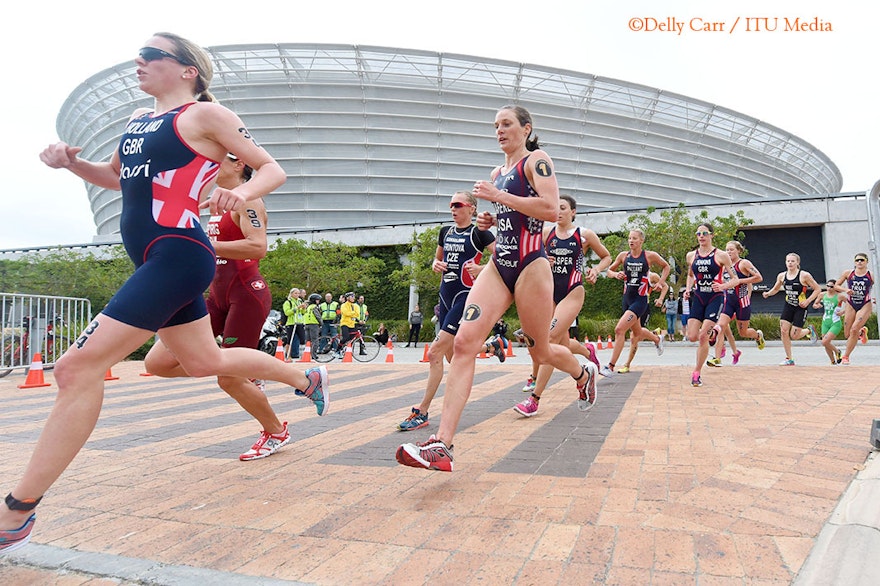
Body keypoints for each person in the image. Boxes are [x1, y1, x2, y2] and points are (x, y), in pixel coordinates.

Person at [1, 32, 329, 554]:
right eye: (139, 55)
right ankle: (302, 375)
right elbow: (115, 179)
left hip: (178, 254)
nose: (139, 62)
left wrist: (237, 191)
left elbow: (272, 168)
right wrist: (68, 164)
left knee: (73, 370)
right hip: (156, 255)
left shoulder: (205, 116)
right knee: (201, 361)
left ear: (187, 70)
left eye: (151, 55)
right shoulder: (138, 122)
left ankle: (16, 512)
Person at [396, 105, 597, 471]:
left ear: (526, 128)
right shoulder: (497, 172)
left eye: (506, 124)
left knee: (542, 353)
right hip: (498, 265)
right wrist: (493, 217)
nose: (499, 131)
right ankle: (443, 444)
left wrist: (500, 198)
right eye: (495, 126)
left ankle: (583, 375)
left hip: (531, 267)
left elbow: (551, 209)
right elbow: (512, 216)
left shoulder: (537, 161)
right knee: (463, 343)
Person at [145, 154, 326, 462]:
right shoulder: (216, 202)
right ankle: (250, 368)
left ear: (239, 164)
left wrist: (204, 245)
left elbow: (258, 246)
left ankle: (276, 429)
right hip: (214, 295)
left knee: (228, 378)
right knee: (158, 363)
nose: (211, 165)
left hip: (246, 293)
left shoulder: (250, 200)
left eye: (219, 161)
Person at [397, 190, 496, 432]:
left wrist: (482, 269)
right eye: (451, 205)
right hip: (446, 296)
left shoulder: (480, 233)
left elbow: (503, 257)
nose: (453, 209)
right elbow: (436, 260)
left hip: (466, 297)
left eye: (458, 204)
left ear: (471, 208)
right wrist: (435, 264)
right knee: (453, 355)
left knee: (434, 352)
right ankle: (493, 347)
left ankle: (421, 411)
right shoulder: (445, 232)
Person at [514, 194, 611, 416]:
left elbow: (606, 256)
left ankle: (534, 400)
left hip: (572, 292)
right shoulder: (546, 234)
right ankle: (587, 354)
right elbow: (530, 256)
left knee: (548, 341)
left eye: (563, 208)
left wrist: (596, 270)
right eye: (556, 208)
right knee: (562, 345)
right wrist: (542, 259)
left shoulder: (584, 235)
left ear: (573, 212)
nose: (558, 212)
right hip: (550, 295)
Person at [600, 229, 670, 377]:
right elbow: (609, 271)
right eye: (630, 238)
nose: (631, 241)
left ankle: (610, 366)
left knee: (619, 330)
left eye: (635, 238)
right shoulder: (623, 256)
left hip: (640, 301)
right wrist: (615, 274)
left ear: (641, 241)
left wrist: (661, 283)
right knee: (637, 332)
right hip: (627, 299)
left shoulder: (649, 256)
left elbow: (666, 267)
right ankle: (657, 339)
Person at [683, 224, 740, 387]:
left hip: (715, 298)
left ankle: (696, 372)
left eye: (704, 233)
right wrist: (688, 289)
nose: (701, 236)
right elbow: (690, 275)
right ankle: (715, 331)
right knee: (692, 336)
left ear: (711, 235)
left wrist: (722, 286)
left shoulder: (721, 255)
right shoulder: (691, 256)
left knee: (702, 337)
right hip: (699, 298)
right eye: (698, 234)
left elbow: (735, 279)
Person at [706, 241, 765, 367]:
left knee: (742, 333)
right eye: (727, 250)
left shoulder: (744, 263)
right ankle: (717, 358)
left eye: (731, 249)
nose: (729, 252)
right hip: (728, 301)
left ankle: (757, 335)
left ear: (739, 250)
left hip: (742, 302)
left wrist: (740, 281)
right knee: (720, 327)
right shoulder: (724, 265)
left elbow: (759, 277)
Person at [762, 252, 822, 366]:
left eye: (792, 261)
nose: (790, 263)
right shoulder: (781, 276)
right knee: (784, 330)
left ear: (797, 262)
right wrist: (768, 294)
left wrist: (808, 301)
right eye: (788, 261)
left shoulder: (804, 275)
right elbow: (776, 289)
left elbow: (817, 289)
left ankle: (809, 330)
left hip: (801, 307)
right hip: (789, 305)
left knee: (794, 336)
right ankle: (789, 358)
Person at [613, 272, 668, 374]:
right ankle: (656, 337)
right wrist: (616, 274)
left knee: (634, 337)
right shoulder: (630, 272)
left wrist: (660, 299)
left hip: (643, 308)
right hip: (630, 307)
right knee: (637, 334)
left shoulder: (652, 276)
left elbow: (665, 286)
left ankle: (627, 365)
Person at [832, 252, 874, 365]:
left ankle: (846, 356)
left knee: (853, 329)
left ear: (867, 262)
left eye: (862, 260)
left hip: (865, 304)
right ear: (854, 262)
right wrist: (846, 290)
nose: (859, 262)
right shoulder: (848, 273)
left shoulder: (871, 274)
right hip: (851, 303)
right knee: (847, 334)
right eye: (857, 260)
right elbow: (836, 286)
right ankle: (862, 331)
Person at [814, 279, 845, 365]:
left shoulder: (840, 296)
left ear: (835, 287)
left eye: (831, 286)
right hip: (825, 321)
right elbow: (815, 304)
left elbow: (851, 305)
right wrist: (817, 305)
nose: (828, 288)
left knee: (825, 341)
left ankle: (837, 351)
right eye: (827, 286)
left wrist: (843, 312)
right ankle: (832, 361)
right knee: (825, 343)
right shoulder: (822, 295)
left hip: (835, 322)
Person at [282, 288, 302, 360]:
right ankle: (287, 354)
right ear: (291, 294)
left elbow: (302, 313)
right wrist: (297, 308)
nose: (297, 295)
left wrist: (303, 308)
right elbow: (287, 312)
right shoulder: (288, 302)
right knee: (289, 339)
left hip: (299, 322)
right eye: (295, 293)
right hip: (291, 323)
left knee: (299, 339)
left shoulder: (299, 301)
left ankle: (296, 353)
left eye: (298, 293)